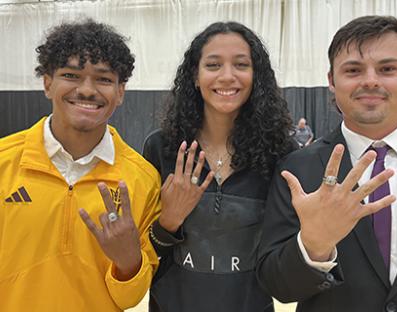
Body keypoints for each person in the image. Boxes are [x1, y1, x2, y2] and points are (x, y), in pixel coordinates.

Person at [256, 15, 397, 312]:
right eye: (354, 70)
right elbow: (276, 285)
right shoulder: (296, 170)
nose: (370, 80)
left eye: (387, 69)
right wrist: (314, 245)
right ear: (331, 80)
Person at [0, 20, 161, 311]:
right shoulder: (4, 162)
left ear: (120, 92)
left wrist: (128, 263)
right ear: (48, 83)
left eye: (103, 79)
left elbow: (130, 298)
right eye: (71, 75)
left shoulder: (143, 180)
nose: (87, 90)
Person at [143, 21, 295, 311]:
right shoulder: (161, 148)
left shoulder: (281, 153)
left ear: (256, 77)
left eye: (241, 65)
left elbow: (282, 257)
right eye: (213, 65)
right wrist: (169, 222)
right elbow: (145, 254)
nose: (227, 76)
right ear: (195, 77)